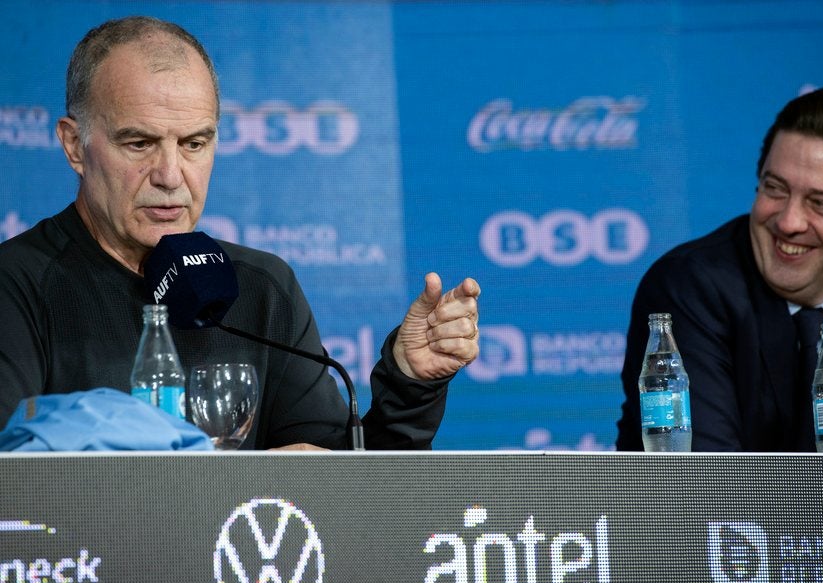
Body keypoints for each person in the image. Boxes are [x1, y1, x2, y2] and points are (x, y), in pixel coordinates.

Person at [0, 16, 481, 450]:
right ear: (74, 146)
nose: (170, 174)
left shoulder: (262, 286)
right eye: (139, 142)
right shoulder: (14, 285)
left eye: (193, 143)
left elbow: (342, 501)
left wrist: (409, 384)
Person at [617, 85, 823, 451]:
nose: (789, 221)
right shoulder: (689, 286)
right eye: (775, 188)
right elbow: (703, 483)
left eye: (820, 203)